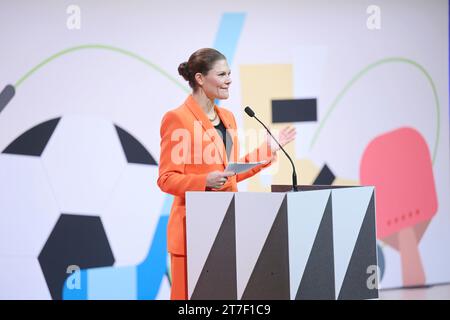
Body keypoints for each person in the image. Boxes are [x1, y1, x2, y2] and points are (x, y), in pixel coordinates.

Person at [157, 48, 296, 300]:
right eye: (222, 74)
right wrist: (204, 181)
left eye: (229, 73)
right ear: (200, 79)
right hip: (192, 231)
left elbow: (229, 173)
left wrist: (268, 149)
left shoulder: (229, 118)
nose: (229, 79)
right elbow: (166, 179)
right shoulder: (177, 119)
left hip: (227, 226)